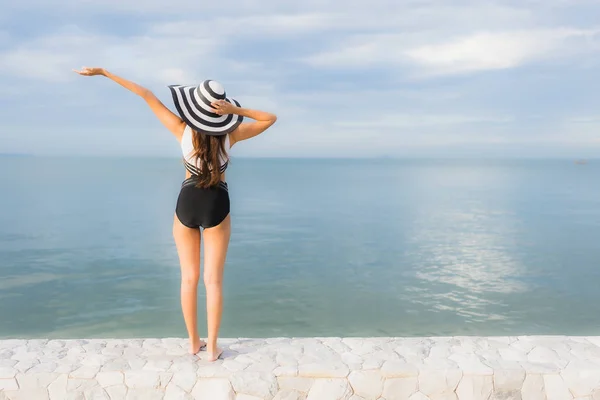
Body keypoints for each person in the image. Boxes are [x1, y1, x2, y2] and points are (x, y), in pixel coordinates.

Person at [73, 67, 277, 361]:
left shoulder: (182, 130)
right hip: (217, 203)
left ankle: (194, 342)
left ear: (195, 109)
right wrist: (237, 110)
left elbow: (146, 94)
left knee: (188, 278)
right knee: (214, 281)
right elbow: (270, 118)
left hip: (187, 201)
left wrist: (105, 73)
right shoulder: (231, 136)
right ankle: (213, 347)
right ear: (221, 111)